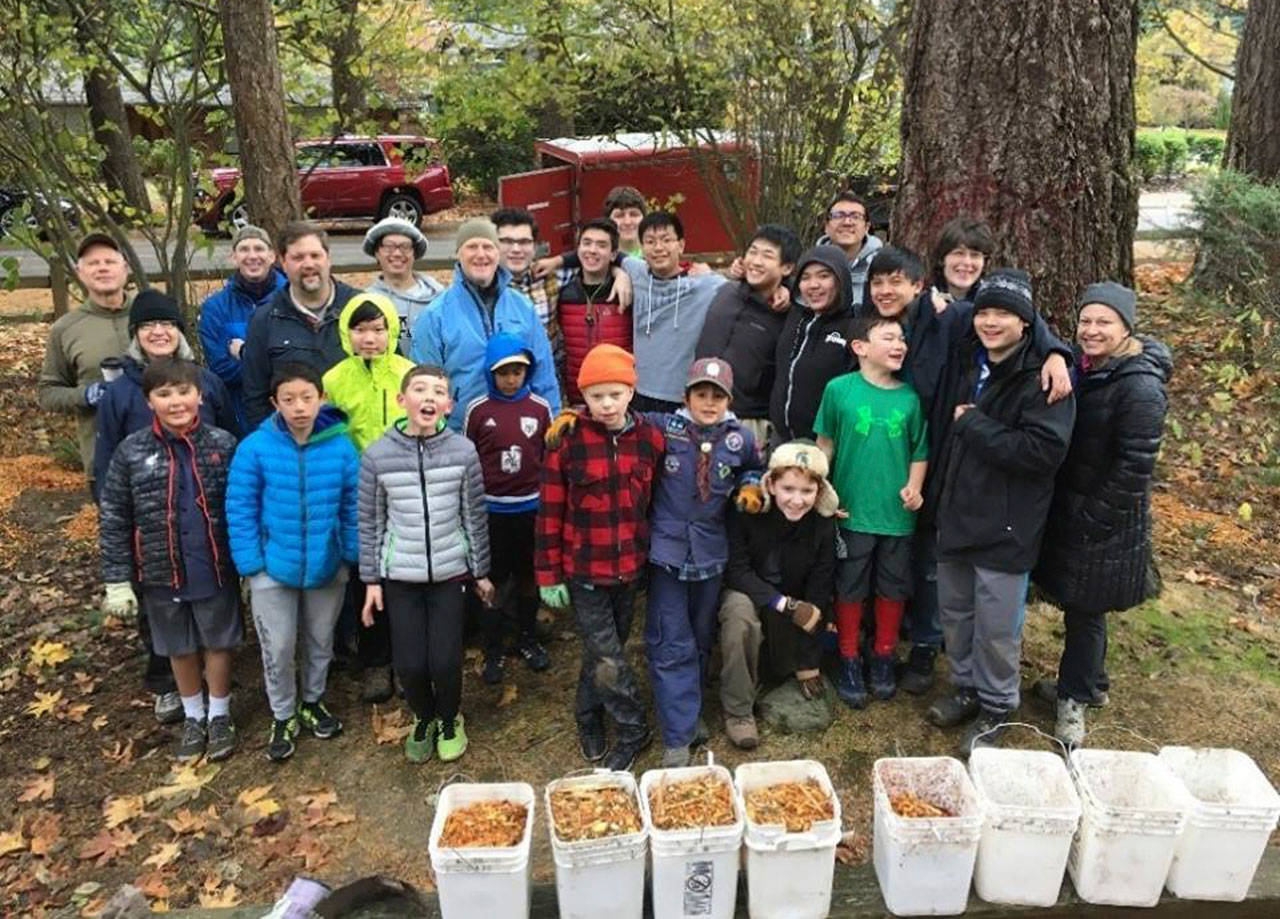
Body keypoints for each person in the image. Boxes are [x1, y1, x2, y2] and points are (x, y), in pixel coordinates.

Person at [859, 245, 1073, 696]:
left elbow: (1009, 317)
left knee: (932, 567)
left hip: (938, 459)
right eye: (877, 281)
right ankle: (874, 644)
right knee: (888, 556)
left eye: (896, 281)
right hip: (879, 457)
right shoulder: (865, 322)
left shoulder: (950, 320)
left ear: (917, 284)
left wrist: (1056, 352)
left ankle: (926, 649)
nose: (885, 290)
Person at [925, 270, 1076, 753]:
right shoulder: (970, 361)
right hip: (957, 514)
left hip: (1007, 526)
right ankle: (966, 688)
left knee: (996, 627)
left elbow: (1042, 454)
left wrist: (975, 426)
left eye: (1004, 314)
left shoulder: (1043, 381)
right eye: (985, 312)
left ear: (1026, 323)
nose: (991, 322)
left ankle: (996, 706)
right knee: (956, 615)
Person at [1033, 282, 1171, 746]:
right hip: (1078, 509)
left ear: (1126, 327)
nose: (1091, 331)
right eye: (1086, 321)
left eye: (1104, 322)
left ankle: (1073, 702)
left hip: (1106, 520)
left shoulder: (1140, 387)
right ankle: (1090, 683)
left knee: (1086, 612)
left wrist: (1093, 519)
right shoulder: (1090, 366)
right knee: (1081, 610)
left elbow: (1135, 467)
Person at [98, 359, 241, 762]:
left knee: (218, 638)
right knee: (178, 645)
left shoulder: (222, 445)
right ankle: (193, 715)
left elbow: (242, 507)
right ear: (149, 401)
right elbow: (114, 516)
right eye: (164, 395)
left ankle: (219, 712)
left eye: (183, 392)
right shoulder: (132, 451)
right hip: (160, 569)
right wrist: (117, 579)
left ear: (199, 396)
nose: (175, 402)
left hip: (212, 564)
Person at [535, 344, 665, 771]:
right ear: (583, 397)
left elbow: (655, 501)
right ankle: (632, 728)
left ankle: (587, 713)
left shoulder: (649, 439)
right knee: (608, 656)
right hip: (584, 569)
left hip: (629, 567)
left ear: (631, 390)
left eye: (615, 394)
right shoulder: (567, 440)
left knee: (602, 652)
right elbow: (550, 510)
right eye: (596, 396)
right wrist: (548, 574)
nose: (606, 404)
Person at [358, 364, 494, 764]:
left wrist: (481, 572)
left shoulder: (462, 452)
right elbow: (370, 521)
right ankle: (424, 717)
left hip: (450, 574)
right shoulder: (377, 455)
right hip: (401, 576)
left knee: (446, 659)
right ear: (403, 400)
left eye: (439, 391)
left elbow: (474, 515)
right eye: (420, 389)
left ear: (449, 405)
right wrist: (371, 580)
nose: (429, 397)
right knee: (411, 663)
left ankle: (450, 718)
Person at [226, 362, 360, 762]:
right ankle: (283, 712)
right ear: (274, 403)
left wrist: (349, 553)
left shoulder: (340, 446)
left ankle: (313, 699)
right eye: (289, 400)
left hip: (326, 563)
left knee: (320, 641)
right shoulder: (255, 448)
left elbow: (352, 504)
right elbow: (240, 506)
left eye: (307, 397)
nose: (299, 407)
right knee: (279, 646)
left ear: (321, 398)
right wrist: (252, 564)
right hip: (271, 567)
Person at [645, 357, 760, 766]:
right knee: (669, 638)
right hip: (668, 552)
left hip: (711, 552)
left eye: (717, 396)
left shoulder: (739, 438)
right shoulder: (664, 429)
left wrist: (749, 488)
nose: (709, 403)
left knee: (699, 635)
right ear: (686, 396)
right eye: (701, 394)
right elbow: (617, 415)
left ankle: (689, 712)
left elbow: (752, 468)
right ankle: (677, 735)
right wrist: (579, 414)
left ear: (728, 400)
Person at [815, 314, 928, 708]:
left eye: (902, 338)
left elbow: (919, 450)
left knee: (893, 585)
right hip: (850, 511)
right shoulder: (838, 390)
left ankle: (882, 655)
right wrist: (822, 492)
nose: (899, 344)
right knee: (850, 584)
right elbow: (824, 443)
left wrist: (914, 487)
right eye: (888, 337)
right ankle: (848, 656)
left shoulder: (910, 398)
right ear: (860, 347)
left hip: (896, 516)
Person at [717, 441, 839, 750]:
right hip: (749, 590)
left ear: (820, 492)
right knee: (739, 618)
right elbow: (737, 569)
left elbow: (819, 589)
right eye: (788, 489)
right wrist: (783, 604)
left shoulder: (823, 526)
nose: (797, 500)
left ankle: (780, 669)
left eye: (807, 491)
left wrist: (810, 662)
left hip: (792, 600)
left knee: (804, 619)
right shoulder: (748, 512)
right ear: (770, 484)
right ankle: (739, 710)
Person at [410, 218, 560, 430]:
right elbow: (424, 385)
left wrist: (553, 428)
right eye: (472, 247)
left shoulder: (523, 308)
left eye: (488, 247)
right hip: (461, 437)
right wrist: (438, 438)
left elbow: (543, 375)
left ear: (498, 254)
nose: (481, 254)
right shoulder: (435, 315)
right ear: (458, 254)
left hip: (521, 434)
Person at [463, 334, 553, 684]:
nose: (511, 379)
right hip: (493, 512)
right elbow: (469, 457)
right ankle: (493, 649)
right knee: (494, 583)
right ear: (491, 373)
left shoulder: (540, 409)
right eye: (504, 372)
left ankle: (527, 639)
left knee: (529, 577)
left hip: (531, 508)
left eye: (518, 371)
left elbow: (547, 457)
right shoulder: (478, 410)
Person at [93, 290, 239, 497]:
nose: (158, 331)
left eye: (167, 323)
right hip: (145, 511)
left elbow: (232, 447)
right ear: (135, 334)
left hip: (207, 507)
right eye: (147, 325)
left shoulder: (208, 383)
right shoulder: (118, 393)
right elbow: (105, 464)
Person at [241, 222, 361, 430]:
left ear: (328, 259)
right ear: (283, 263)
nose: (308, 264)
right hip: (293, 444)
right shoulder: (265, 319)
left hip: (356, 440)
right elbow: (255, 397)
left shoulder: (360, 308)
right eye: (298, 258)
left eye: (315, 256)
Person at [38, 232, 134, 492]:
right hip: (104, 458)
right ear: (80, 273)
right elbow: (48, 393)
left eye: (109, 261)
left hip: (165, 453)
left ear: (125, 269)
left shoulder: (152, 315)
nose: (102, 267)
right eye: (92, 263)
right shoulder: (66, 329)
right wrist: (86, 395)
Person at [696, 225, 802, 451]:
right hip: (699, 410)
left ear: (787, 267)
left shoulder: (788, 313)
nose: (756, 261)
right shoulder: (726, 291)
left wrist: (792, 291)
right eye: (753, 252)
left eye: (767, 256)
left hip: (748, 421)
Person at [622, 212, 726, 413]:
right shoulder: (636, 272)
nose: (658, 248)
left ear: (681, 245)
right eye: (650, 242)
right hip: (638, 394)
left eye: (666, 240)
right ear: (642, 248)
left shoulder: (705, 284)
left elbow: (748, 287)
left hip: (682, 397)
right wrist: (619, 274)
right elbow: (608, 253)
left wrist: (783, 291)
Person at [198, 225, 288, 430]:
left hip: (292, 416)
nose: (252, 256)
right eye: (244, 249)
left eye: (259, 248)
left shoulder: (291, 299)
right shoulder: (215, 308)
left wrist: (244, 354)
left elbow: (299, 361)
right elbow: (220, 369)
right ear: (234, 257)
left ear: (272, 256)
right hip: (241, 420)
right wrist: (272, 364)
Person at [769, 245, 856, 444]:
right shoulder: (794, 315)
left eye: (824, 276)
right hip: (780, 439)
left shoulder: (855, 327)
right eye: (805, 277)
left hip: (825, 445)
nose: (813, 285)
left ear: (841, 279)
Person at [321, 292, 415, 453]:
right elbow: (326, 434)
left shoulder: (410, 375)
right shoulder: (333, 380)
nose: (369, 339)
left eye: (378, 330)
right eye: (359, 330)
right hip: (353, 472)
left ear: (391, 331)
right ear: (346, 332)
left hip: (403, 469)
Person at [558, 218, 631, 404]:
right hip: (577, 398)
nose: (592, 250)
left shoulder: (628, 290)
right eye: (587, 243)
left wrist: (621, 274)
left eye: (601, 245)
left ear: (614, 254)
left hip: (619, 399)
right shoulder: (562, 291)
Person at [363, 217, 444, 357]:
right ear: (377, 252)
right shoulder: (366, 302)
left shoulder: (439, 298)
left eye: (405, 247)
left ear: (414, 253)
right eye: (388, 246)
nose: (397, 254)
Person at [815, 191, 882, 305]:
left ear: (866, 227)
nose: (847, 222)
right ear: (826, 226)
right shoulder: (811, 265)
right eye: (839, 216)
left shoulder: (881, 265)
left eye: (855, 216)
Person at [927, 217, 994, 309]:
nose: (967, 262)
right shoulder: (922, 303)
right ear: (942, 258)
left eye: (975, 255)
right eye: (959, 253)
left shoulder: (993, 304)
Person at [603, 185, 647, 257]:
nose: (627, 222)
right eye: (620, 216)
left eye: (634, 214)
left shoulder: (656, 258)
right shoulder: (600, 260)